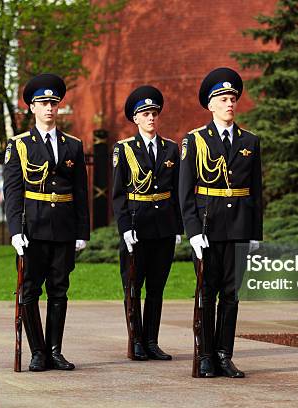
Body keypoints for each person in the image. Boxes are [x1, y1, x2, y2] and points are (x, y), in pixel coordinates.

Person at [179, 67, 262, 378]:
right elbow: (185, 192)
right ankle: (204, 355)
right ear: (210, 105)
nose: (230, 103)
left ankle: (224, 355)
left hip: (239, 226)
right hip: (207, 227)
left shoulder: (250, 141)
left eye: (233, 98)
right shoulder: (195, 141)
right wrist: (192, 232)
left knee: (231, 294)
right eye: (223, 99)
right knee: (206, 292)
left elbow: (256, 190)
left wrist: (255, 233)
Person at [3, 73, 90, 371]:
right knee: (29, 290)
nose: (49, 108)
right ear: (32, 108)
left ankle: (55, 350)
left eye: (53, 103)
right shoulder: (19, 145)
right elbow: (13, 192)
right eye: (42, 103)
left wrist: (82, 232)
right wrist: (15, 230)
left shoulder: (73, 145)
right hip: (33, 228)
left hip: (64, 227)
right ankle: (37, 351)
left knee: (59, 289)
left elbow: (80, 191)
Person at [112, 85, 183, 361]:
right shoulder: (124, 149)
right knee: (133, 285)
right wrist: (125, 228)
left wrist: (178, 227)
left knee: (156, 287)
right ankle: (136, 341)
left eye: (154, 112)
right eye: (145, 113)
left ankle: (152, 341)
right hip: (136, 226)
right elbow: (118, 195)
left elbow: (177, 192)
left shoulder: (171, 149)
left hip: (163, 227)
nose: (151, 117)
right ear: (136, 119)